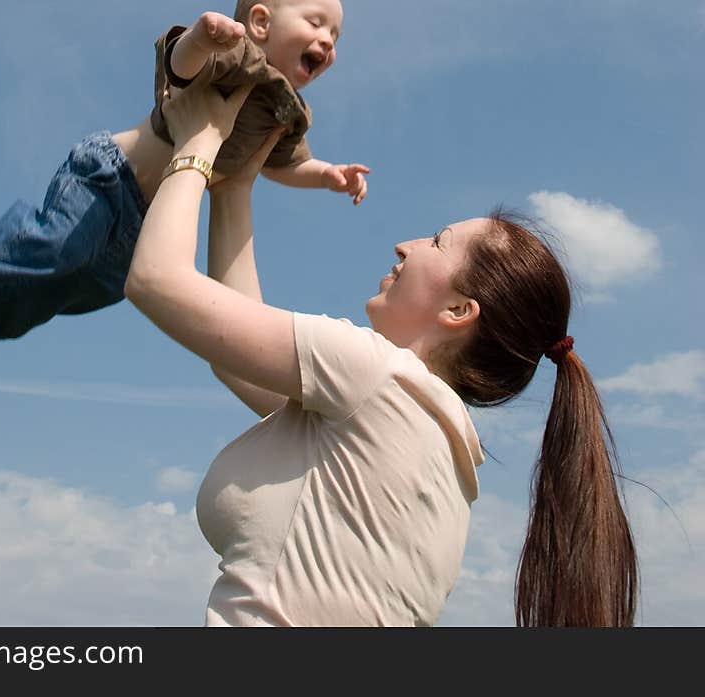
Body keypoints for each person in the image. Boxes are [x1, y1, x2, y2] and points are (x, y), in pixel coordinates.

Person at [124, 76, 639, 628]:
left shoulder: (375, 374)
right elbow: (234, 352)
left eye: (437, 242)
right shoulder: (437, 449)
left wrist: (199, 138)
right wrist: (237, 184)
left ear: (459, 311)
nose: (407, 244)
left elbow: (156, 279)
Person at [0, 0, 369, 340]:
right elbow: (179, 68)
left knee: (98, 287)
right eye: (315, 23)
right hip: (109, 176)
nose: (327, 41)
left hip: (148, 216)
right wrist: (199, 37)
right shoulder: (239, 57)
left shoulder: (288, 110)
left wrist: (327, 174)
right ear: (262, 22)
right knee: (59, 250)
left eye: (336, 36)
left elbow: (284, 165)